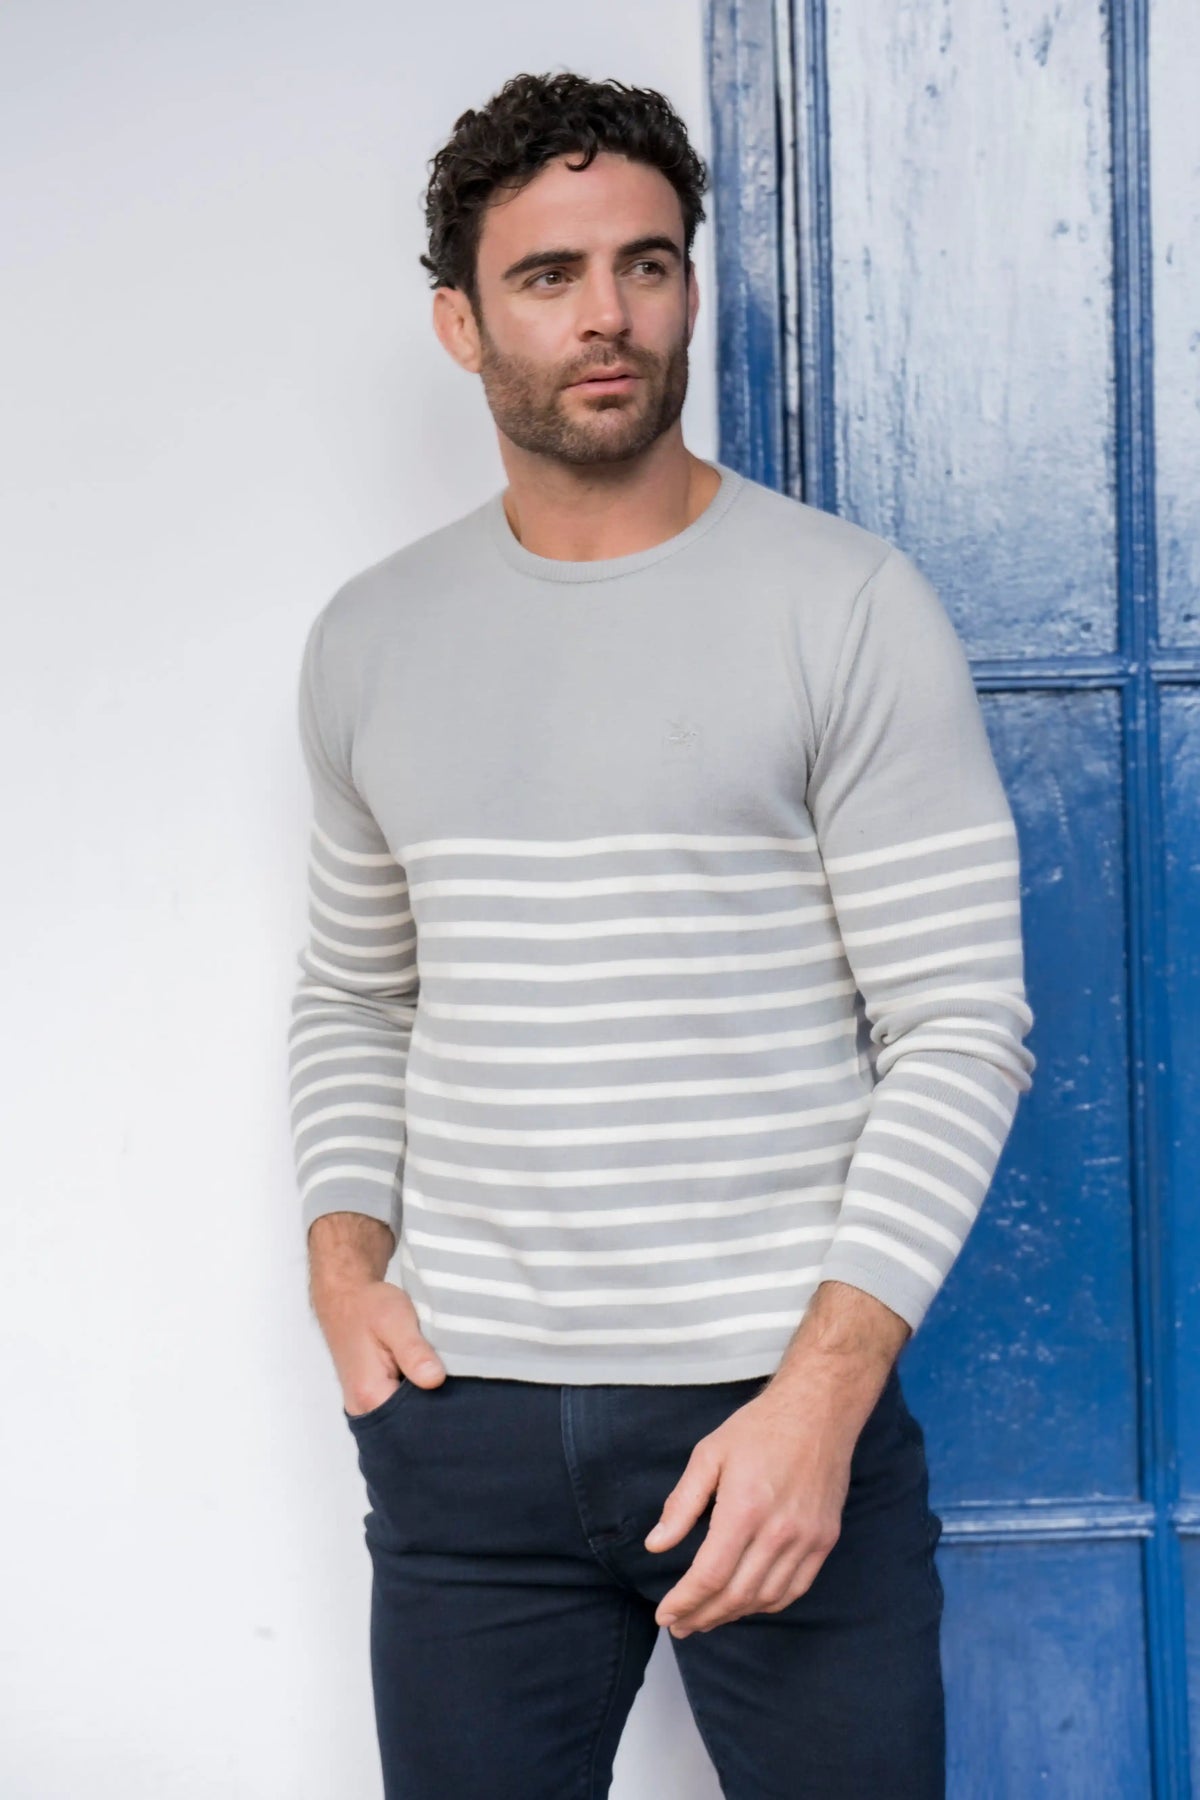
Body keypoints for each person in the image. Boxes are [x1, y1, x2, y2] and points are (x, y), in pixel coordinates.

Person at [286, 69, 1035, 1800]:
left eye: (647, 263)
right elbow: (354, 993)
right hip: (464, 1432)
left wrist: (823, 1396)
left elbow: (957, 1022)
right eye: (548, 275)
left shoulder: (847, 606)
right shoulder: (371, 639)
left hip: (772, 1401)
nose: (607, 315)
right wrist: (343, 1277)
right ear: (461, 323)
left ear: (692, 287)